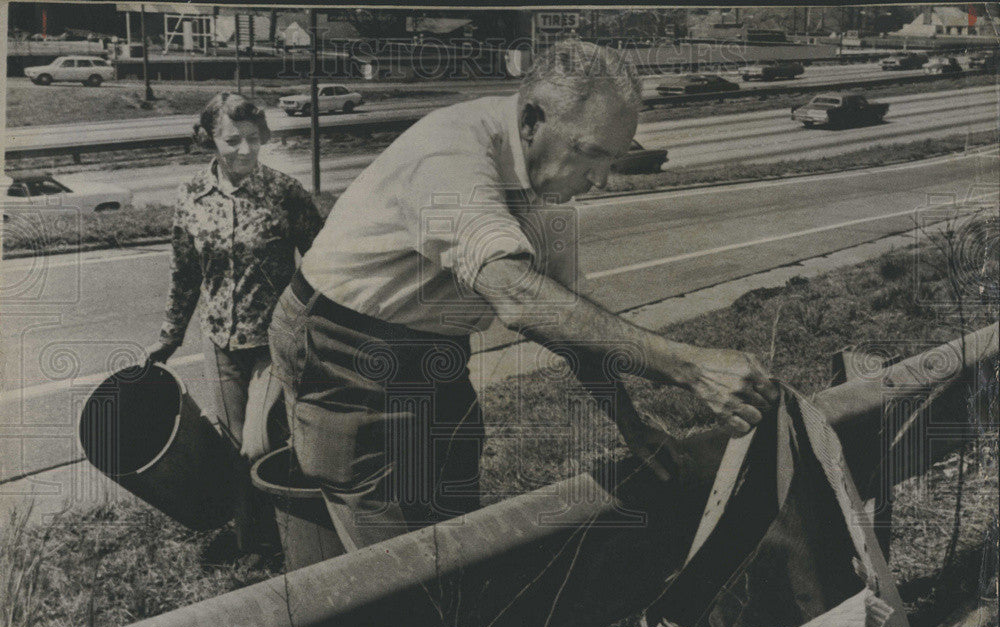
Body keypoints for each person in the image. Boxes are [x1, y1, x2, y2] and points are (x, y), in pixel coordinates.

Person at [268, 40, 778, 554]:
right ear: (531, 121)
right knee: (389, 547)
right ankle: (348, 602)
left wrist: (632, 426)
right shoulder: (450, 154)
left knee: (453, 509)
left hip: (433, 346)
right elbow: (517, 296)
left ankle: (440, 607)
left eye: (613, 159)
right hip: (340, 343)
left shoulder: (547, 186)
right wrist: (692, 367)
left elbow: (567, 319)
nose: (600, 180)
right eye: (591, 155)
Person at [147, 92, 324, 554]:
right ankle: (255, 546)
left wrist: (312, 319)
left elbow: (324, 260)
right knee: (230, 451)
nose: (245, 150)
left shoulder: (284, 193)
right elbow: (184, 274)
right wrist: (168, 339)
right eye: (232, 140)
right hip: (220, 345)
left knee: (259, 446)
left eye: (252, 139)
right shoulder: (190, 196)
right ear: (210, 140)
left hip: (274, 342)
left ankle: (298, 537)